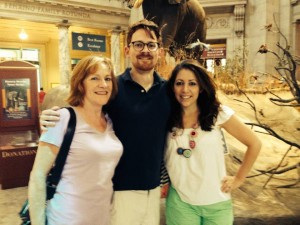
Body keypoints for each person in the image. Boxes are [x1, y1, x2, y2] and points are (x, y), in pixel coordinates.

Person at [39, 19, 171, 225]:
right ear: (127, 49)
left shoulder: (169, 91)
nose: (145, 50)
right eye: (138, 44)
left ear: (160, 51)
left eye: (151, 45)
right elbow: (83, 111)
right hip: (119, 192)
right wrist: (52, 118)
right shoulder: (112, 87)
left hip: (153, 190)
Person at [164, 59, 262, 225]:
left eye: (192, 83)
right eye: (179, 83)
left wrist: (239, 179)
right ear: (172, 87)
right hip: (180, 203)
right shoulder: (165, 115)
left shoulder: (217, 113)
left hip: (217, 203)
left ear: (201, 87)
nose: (185, 89)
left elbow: (254, 143)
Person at [28, 55, 123, 225]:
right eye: (95, 78)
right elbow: (38, 175)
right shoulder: (63, 118)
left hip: (101, 217)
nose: (104, 84)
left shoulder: (109, 121)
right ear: (81, 83)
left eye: (107, 78)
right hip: (67, 217)